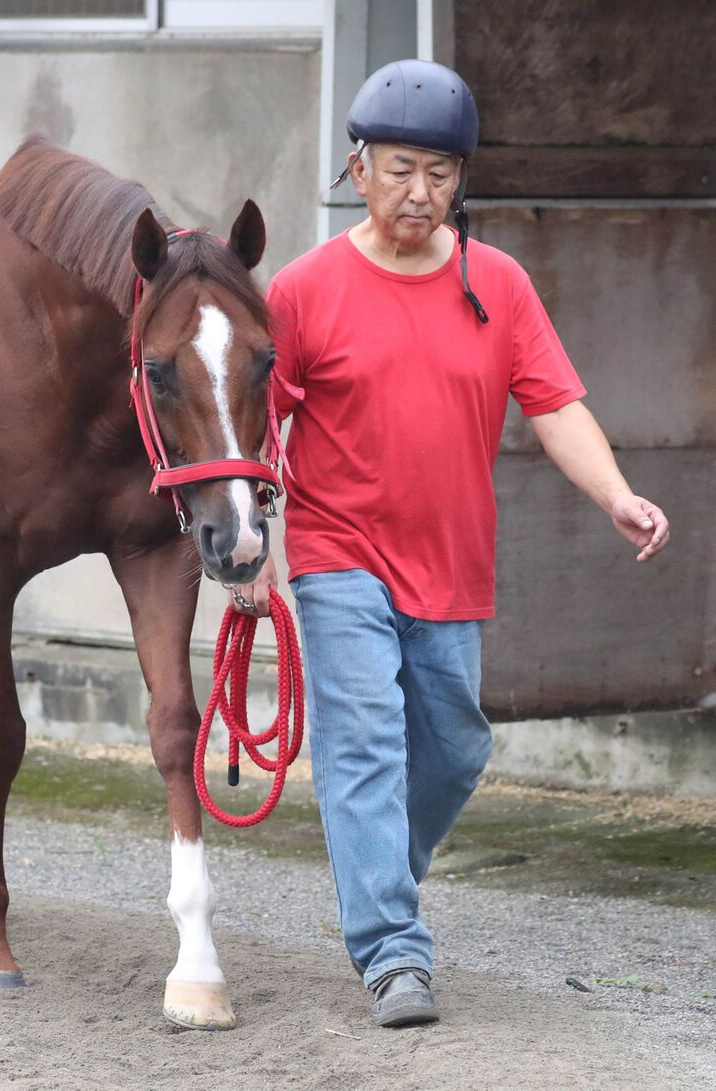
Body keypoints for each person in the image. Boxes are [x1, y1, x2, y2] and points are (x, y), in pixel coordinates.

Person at [232, 59, 670, 1028]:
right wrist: (256, 539)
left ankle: (373, 864)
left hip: (453, 559)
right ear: (358, 167)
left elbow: (555, 403)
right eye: (399, 169)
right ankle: (393, 949)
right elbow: (256, 427)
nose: (420, 192)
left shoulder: (498, 284)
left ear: (460, 179)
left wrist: (617, 495)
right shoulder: (304, 292)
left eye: (438, 172)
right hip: (338, 548)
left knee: (458, 747)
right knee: (365, 744)